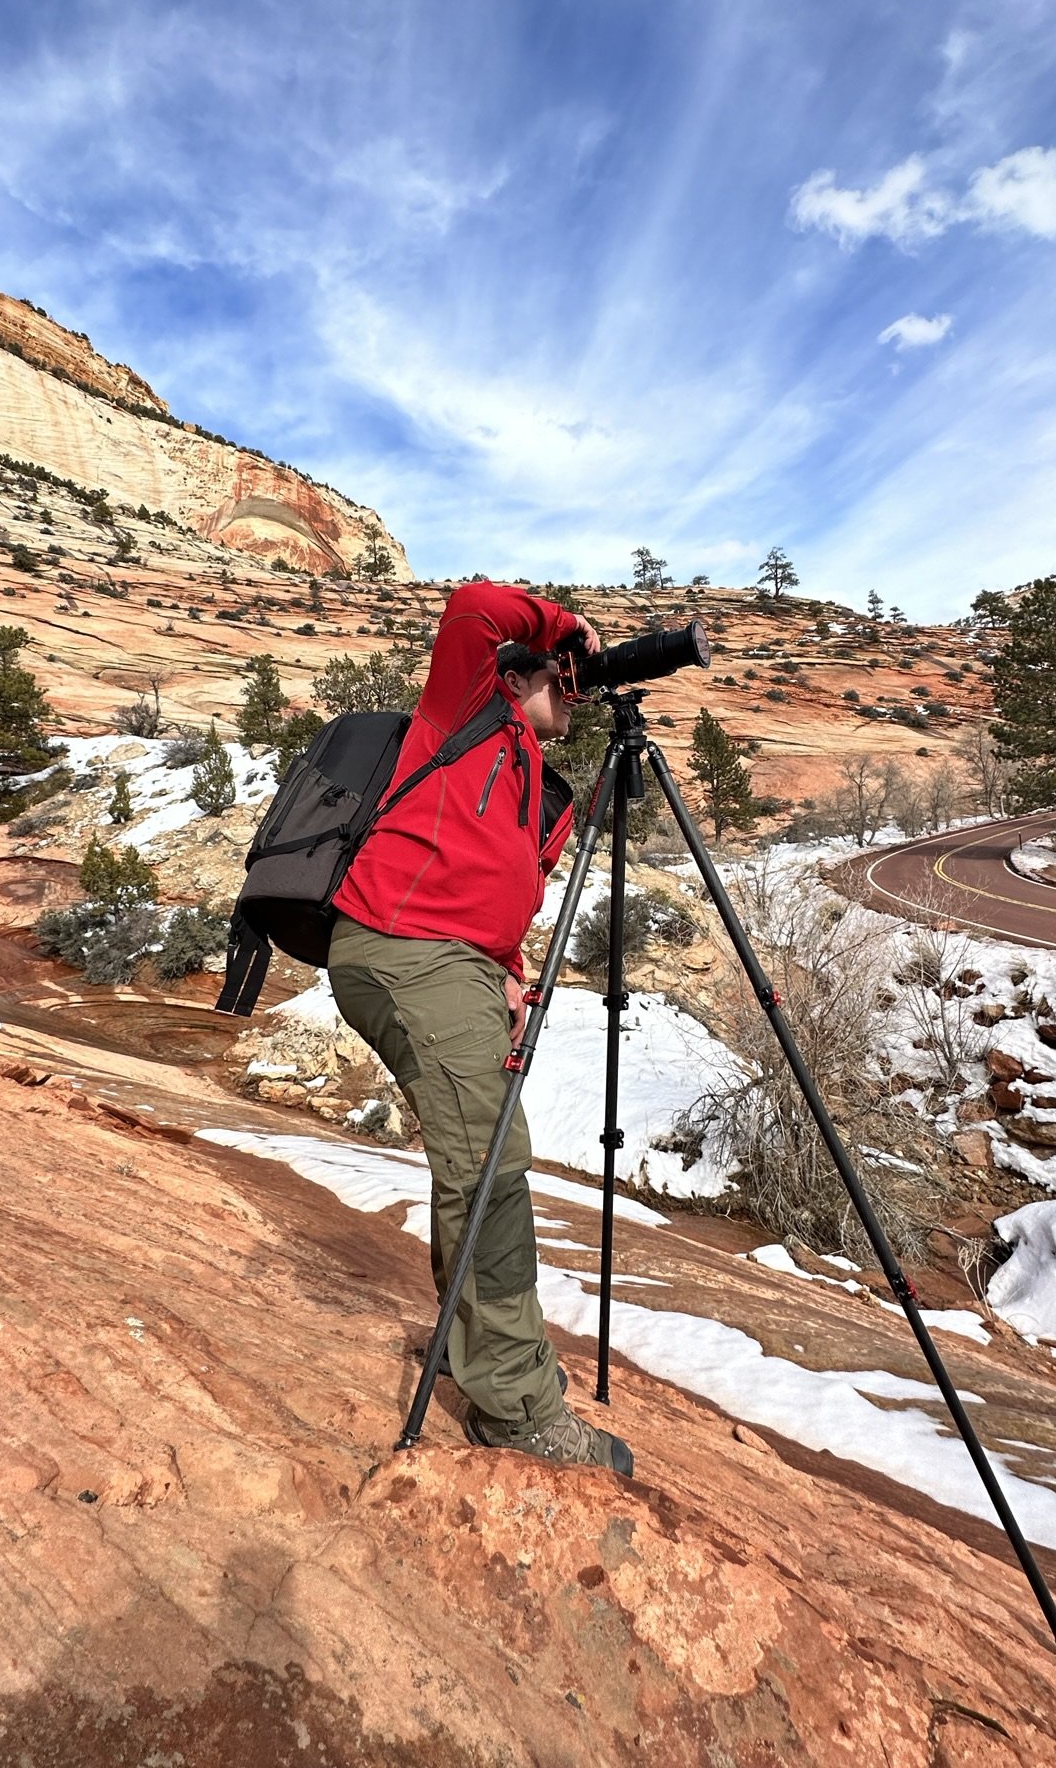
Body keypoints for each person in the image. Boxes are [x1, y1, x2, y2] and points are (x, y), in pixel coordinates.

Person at [328, 581, 633, 1475]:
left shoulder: (535, 776)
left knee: (477, 1160)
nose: (575, 692)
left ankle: (481, 1347)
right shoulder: (468, 699)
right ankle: (514, 1407)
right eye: (564, 681)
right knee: (492, 1166)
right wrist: (568, 632)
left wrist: (505, 963)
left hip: (448, 961)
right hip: (406, 950)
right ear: (525, 673)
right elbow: (473, 604)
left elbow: (477, 882)